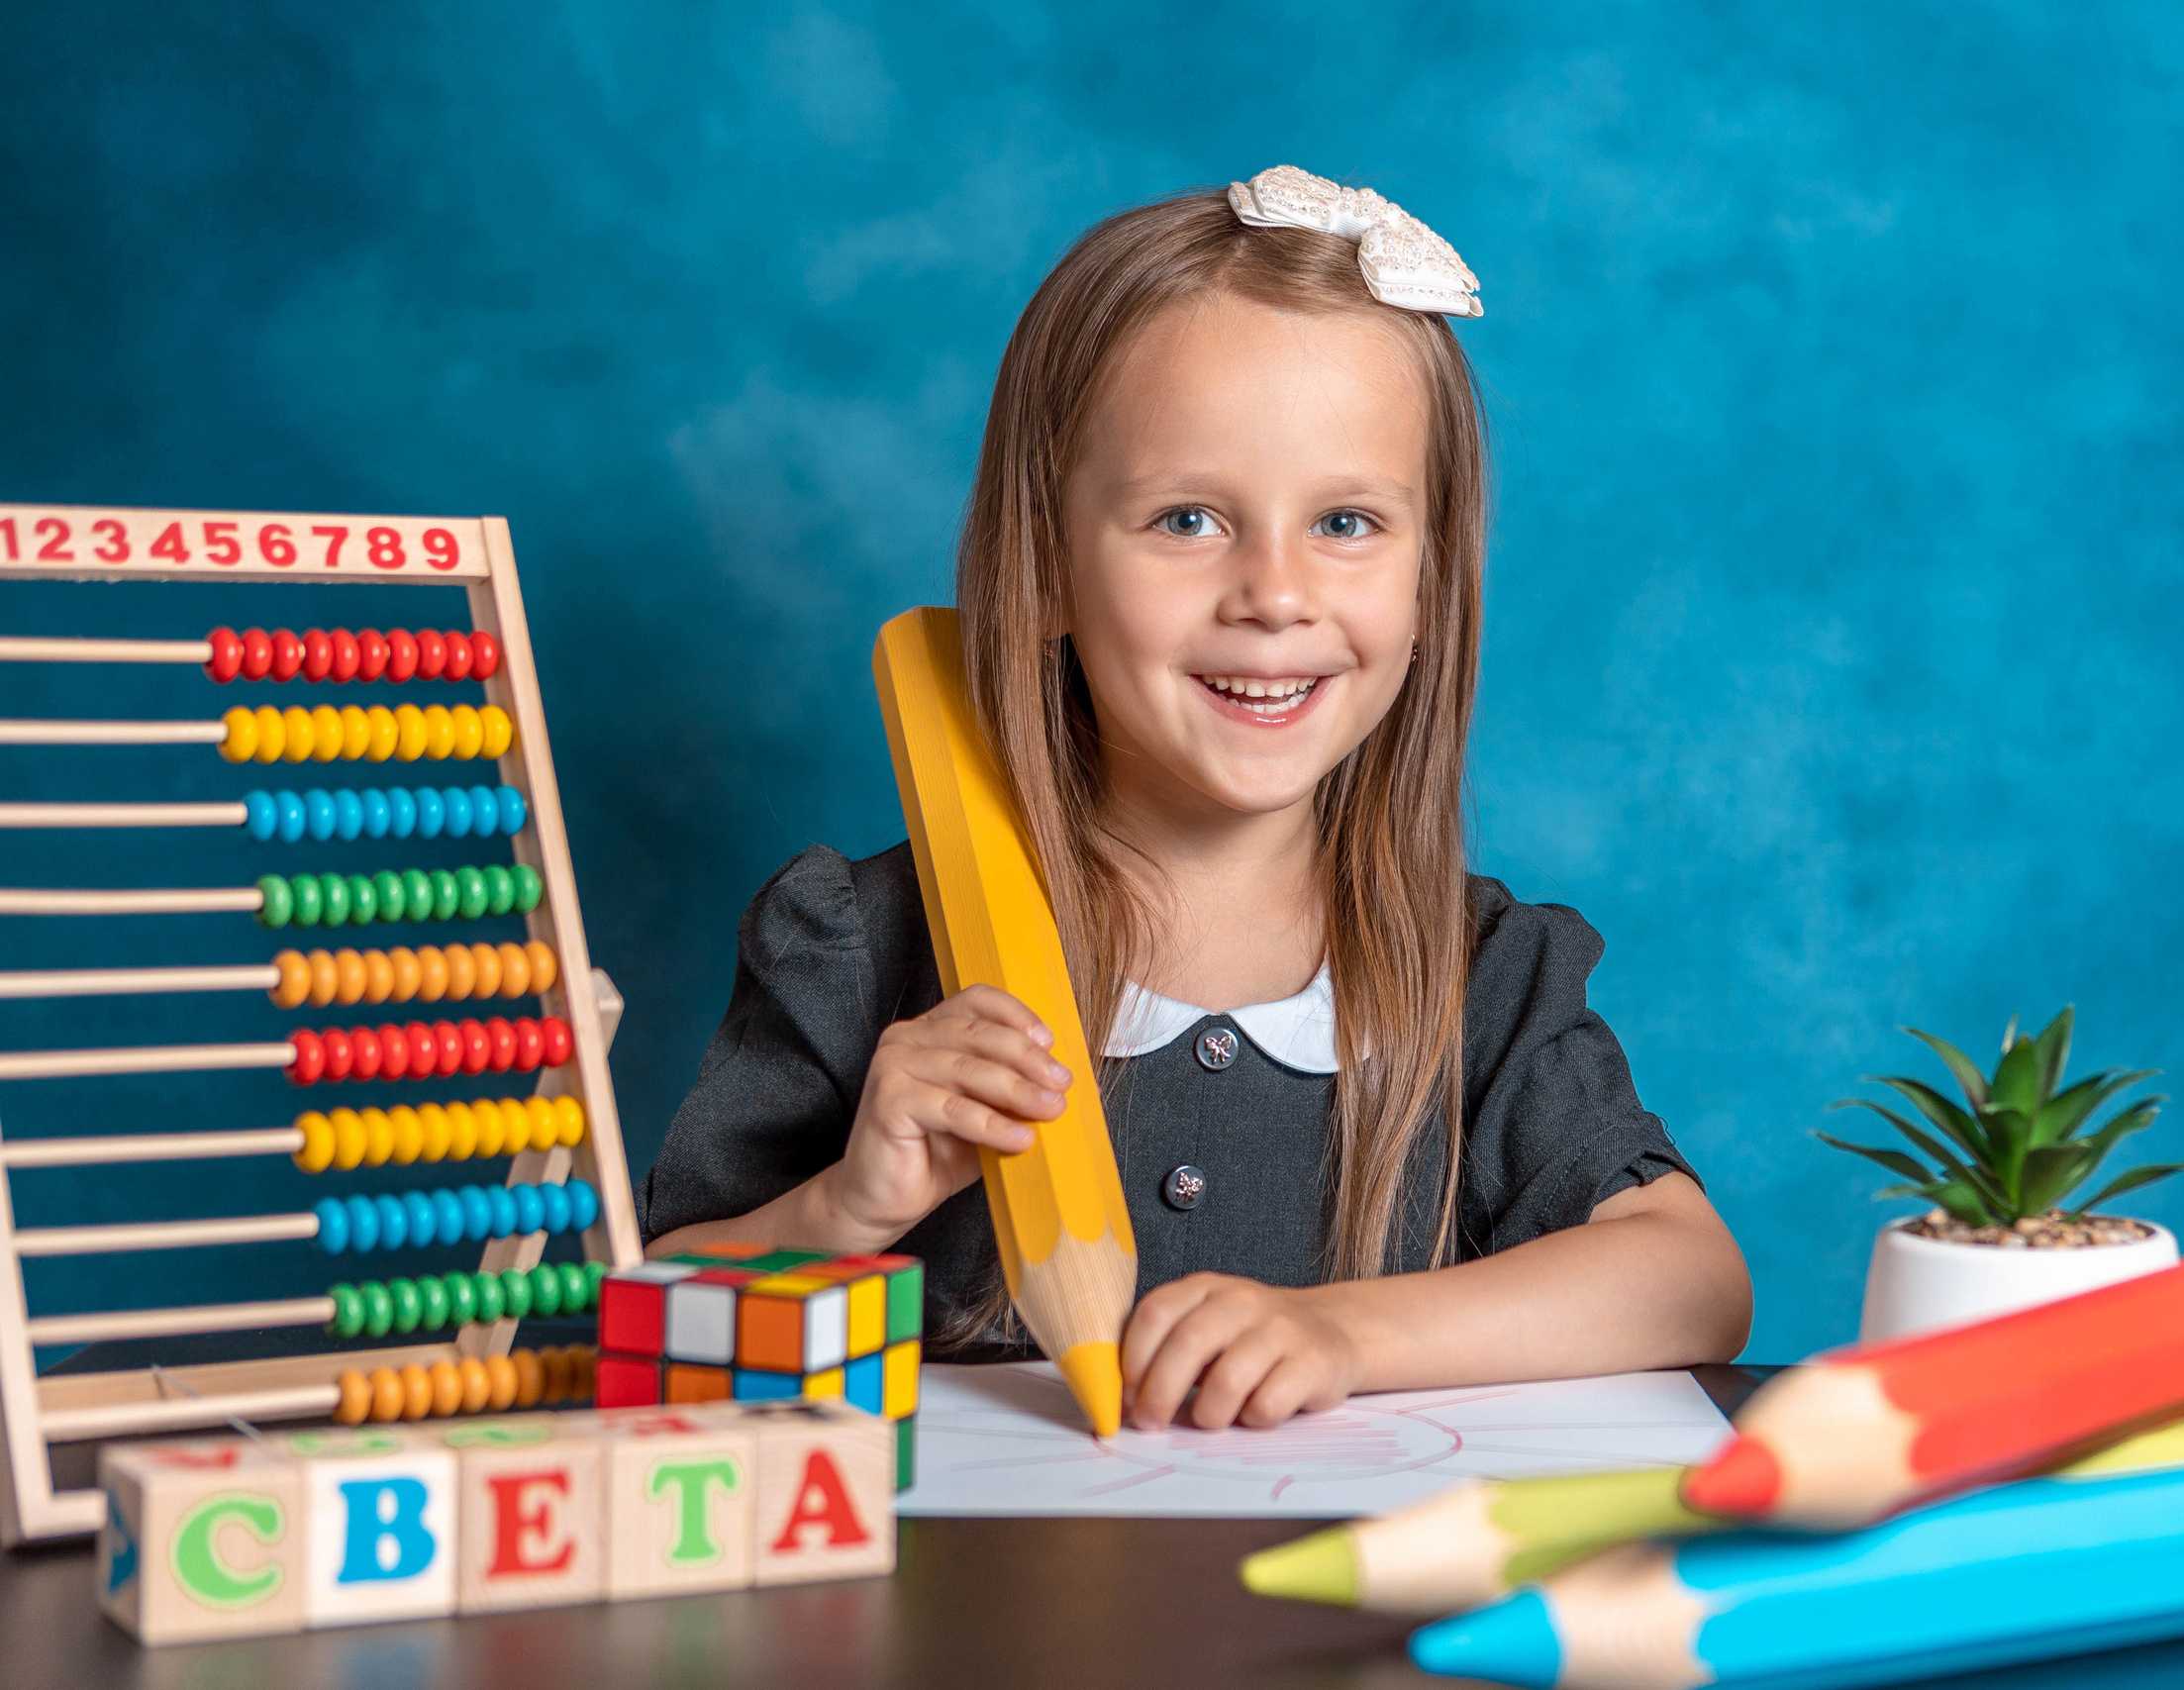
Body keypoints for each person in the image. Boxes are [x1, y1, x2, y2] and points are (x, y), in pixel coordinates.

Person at [642, 166, 1751, 1432]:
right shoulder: (860, 947)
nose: (1274, 594)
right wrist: (845, 1209)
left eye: (1345, 520)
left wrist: (1338, 1333)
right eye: (1186, 518)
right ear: (1047, 569)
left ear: (1433, 580)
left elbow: (1692, 1279)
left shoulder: (1477, 978)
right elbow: (651, 1314)